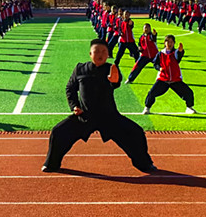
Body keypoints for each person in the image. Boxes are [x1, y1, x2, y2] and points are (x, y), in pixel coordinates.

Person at [42, 38, 156, 174]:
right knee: (58, 132)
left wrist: (115, 80)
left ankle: (145, 164)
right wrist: (74, 106)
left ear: (108, 54)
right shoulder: (80, 69)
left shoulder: (111, 68)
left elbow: (116, 82)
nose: (100, 54)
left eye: (104, 51)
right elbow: (70, 88)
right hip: (84, 116)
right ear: (90, 54)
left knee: (135, 133)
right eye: (96, 51)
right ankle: (51, 164)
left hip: (108, 116)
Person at [142, 35, 196, 115]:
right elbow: (155, 64)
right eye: (167, 42)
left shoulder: (175, 52)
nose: (169, 44)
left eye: (171, 42)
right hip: (163, 79)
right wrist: (159, 68)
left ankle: (189, 107)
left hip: (175, 79)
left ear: (174, 43)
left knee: (188, 92)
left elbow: (178, 56)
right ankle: (147, 108)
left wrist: (180, 51)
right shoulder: (160, 54)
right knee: (152, 93)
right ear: (164, 43)